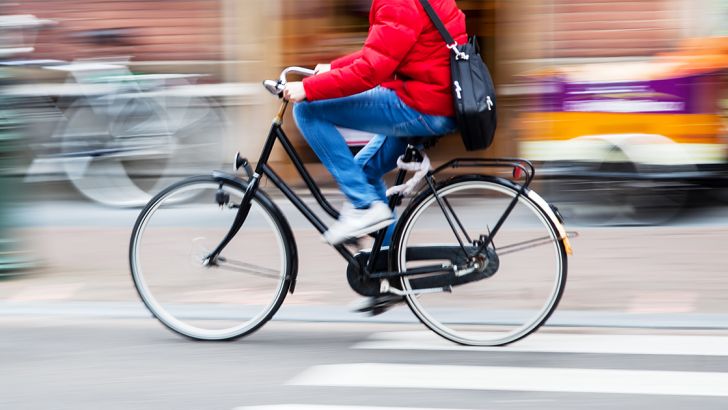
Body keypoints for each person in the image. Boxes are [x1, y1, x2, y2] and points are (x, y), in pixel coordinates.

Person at [284, 0, 467, 245]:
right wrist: (333, 67)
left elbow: (370, 71)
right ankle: (390, 261)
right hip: (433, 100)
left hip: (422, 104)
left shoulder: (398, 3)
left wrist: (308, 88)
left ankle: (364, 207)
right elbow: (388, 51)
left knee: (307, 111)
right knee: (362, 173)